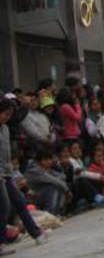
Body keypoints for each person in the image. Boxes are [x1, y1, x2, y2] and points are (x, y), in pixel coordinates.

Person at [0, 98, 48, 245]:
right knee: (4, 206)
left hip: (6, 173)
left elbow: (7, 155)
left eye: (10, 115)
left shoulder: (6, 129)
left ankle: (36, 233)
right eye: (5, 113)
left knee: (20, 202)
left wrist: (10, 173)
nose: (7, 117)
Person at [24, 148, 69, 216]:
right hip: (31, 198)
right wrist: (67, 191)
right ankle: (50, 214)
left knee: (59, 185)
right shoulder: (34, 170)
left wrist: (57, 166)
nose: (49, 162)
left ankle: (56, 212)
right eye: (46, 160)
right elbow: (54, 181)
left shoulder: (47, 169)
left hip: (40, 196)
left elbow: (62, 177)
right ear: (38, 161)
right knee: (52, 186)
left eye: (50, 159)